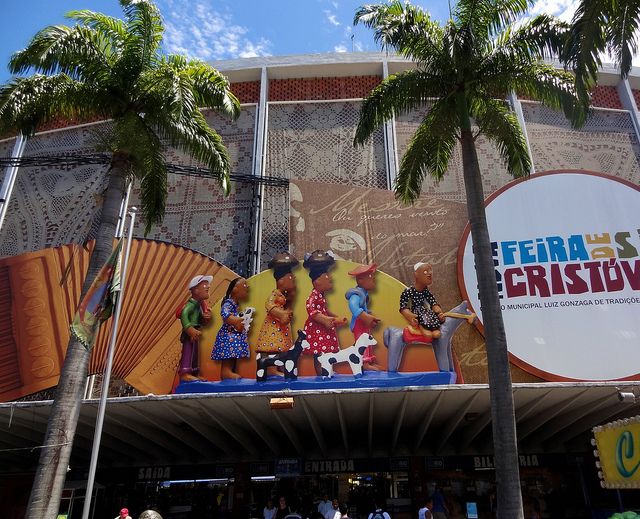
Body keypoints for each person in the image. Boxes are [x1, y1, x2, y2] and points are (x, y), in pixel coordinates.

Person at [302, 250, 347, 375]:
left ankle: (328, 370)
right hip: (317, 329)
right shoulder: (313, 296)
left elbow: (324, 310)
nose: (330, 277)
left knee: (326, 351)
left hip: (324, 329)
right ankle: (321, 371)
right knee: (319, 352)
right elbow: (311, 310)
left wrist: (334, 317)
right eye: (326, 276)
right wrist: (325, 319)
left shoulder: (321, 296)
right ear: (317, 282)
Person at [255, 252, 299, 376]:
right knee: (271, 345)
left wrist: (292, 297)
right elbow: (269, 305)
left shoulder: (284, 295)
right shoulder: (275, 294)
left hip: (281, 326)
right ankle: (271, 369)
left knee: (281, 347)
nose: (294, 278)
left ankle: (279, 367)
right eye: (291, 277)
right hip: (273, 325)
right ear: (281, 280)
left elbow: (288, 307)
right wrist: (280, 314)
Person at [211, 277, 251, 379]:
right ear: (235, 290)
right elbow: (225, 314)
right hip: (228, 334)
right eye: (245, 285)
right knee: (228, 354)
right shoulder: (228, 303)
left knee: (232, 353)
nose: (248, 287)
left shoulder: (235, 304)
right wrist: (238, 320)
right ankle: (226, 372)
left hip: (233, 333)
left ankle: (230, 371)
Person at [345, 263, 381, 370]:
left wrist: (369, 315)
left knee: (368, 340)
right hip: (358, 324)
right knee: (362, 342)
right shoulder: (356, 294)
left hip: (363, 324)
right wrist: (365, 317)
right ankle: (364, 364)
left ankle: (369, 361)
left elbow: (363, 308)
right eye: (370, 276)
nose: (373, 278)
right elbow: (353, 306)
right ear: (360, 280)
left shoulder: (363, 293)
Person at [400, 262, 446, 342]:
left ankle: (433, 328)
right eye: (425, 272)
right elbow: (403, 306)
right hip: (417, 313)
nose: (429, 274)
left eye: (430, 272)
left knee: (437, 333)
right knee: (427, 333)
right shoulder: (409, 291)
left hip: (426, 312)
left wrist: (436, 308)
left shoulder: (426, 291)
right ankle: (421, 331)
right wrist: (411, 316)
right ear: (416, 275)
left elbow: (432, 300)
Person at [178, 274, 212, 381]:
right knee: (188, 351)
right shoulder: (191, 305)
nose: (208, 287)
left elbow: (200, 320)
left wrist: (205, 318)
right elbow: (184, 315)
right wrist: (190, 330)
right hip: (190, 334)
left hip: (196, 332)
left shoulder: (200, 305)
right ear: (196, 290)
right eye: (204, 285)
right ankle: (185, 373)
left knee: (195, 354)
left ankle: (194, 372)